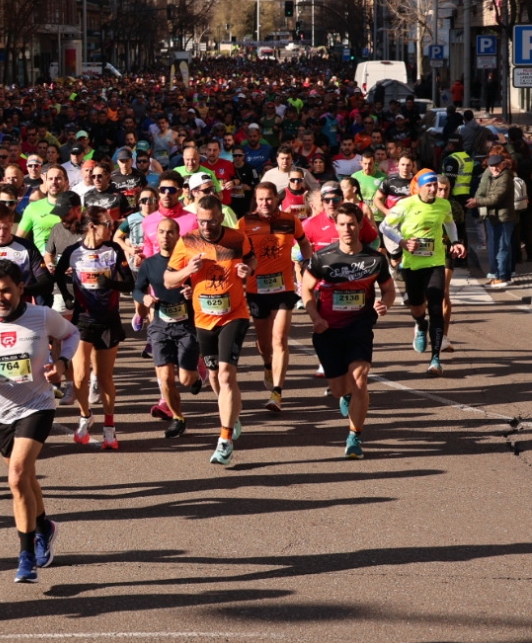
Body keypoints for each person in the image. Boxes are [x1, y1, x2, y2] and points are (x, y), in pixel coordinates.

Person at [0, 260, 77, 583]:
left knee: (16, 477)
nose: (0, 297)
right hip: (0, 412)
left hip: (37, 405)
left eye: (6, 290)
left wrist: (62, 364)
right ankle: (44, 527)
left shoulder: (42, 316)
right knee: (26, 478)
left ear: (21, 288)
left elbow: (71, 334)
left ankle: (26, 558)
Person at [166, 196, 256, 467]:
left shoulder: (237, 238)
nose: (206, 226)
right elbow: (168, 280)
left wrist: (247, 270)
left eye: (212, 221)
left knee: (227, 375)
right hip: (203, 320)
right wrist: (187, 271)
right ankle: (232, 414)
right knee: (215, 377)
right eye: (202, 221)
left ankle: (225, 440)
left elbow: (251, 261)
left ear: (220, 217)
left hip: (234, 315)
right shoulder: (187, 241)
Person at [300, 204, 395, 460]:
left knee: (360, 380)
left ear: (360, 225)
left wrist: (384, 304)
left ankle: (355, 436)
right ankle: (345, 394)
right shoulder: (322, 258)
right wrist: (315, 317)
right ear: (336, 226)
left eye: (351, 224)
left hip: (360, 325)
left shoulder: (375, 259)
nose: (347, 229)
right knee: (340, 388)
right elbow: (306, 288)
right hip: (328, 329)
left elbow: (389, 290)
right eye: (342, 224)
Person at [56, 208, 134, 450]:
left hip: (108, 320)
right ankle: (85, 415)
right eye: (107, 224)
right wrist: (68, 298)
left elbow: (129, 283)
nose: (111, 228)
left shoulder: (114, 250)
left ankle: (109, 426)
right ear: (92, 226)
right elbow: (57, 275)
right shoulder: (73, 252)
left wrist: (108, 282)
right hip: (82, 321)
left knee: (104, 378)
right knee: (79, 377)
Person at [380, 169, 465, 375]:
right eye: (429, 185)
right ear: (419, 188)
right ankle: (420, 324)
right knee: (417, 307)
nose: (433, 189)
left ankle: (435, 359)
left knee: (436, 307)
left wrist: (455, 241)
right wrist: (402, 242)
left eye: (435, 185)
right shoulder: (406, 205)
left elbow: (449, 223)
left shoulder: (443, 205)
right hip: (412, 265)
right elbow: (385, 226)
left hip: (435, 262)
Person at [239, 181, 309, 412]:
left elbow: (304, 242)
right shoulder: (245, 223)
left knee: (279, 339)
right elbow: (236, 252)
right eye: (260, 199)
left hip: (284, 288)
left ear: (277, 199)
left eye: (269, 198)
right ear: (256, 200)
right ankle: (268, 365)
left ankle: (277, 393)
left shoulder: (290, 221)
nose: (265, 203)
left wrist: (307, 264)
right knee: (264, 343)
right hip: (256, 290)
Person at [134, 216, 204, 438]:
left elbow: (204, 287)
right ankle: (178, 418)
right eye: (162, 232)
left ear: (177, 236)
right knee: (165, 378)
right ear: (157, 236)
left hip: (186, 326)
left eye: (170, 232)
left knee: (185, 379)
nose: (165, 236)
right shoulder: (149, 264)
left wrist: (192, 292)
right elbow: (137, 289)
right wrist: (144, 299)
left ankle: (196, 376)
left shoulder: (188, 261)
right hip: (160, 326)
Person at [467, 152, 518, 288]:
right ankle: (500, 275)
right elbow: (482, 190)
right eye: (491, 166)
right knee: (498, 247)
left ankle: (502, 277)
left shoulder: (506, 177)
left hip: (504, 218)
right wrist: (479, 200)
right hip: (493, 217)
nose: (494, 169)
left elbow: (496, 197)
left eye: (496, 165)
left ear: (503, 164)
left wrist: (477, 202)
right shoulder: (491, 175)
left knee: (502, 247)